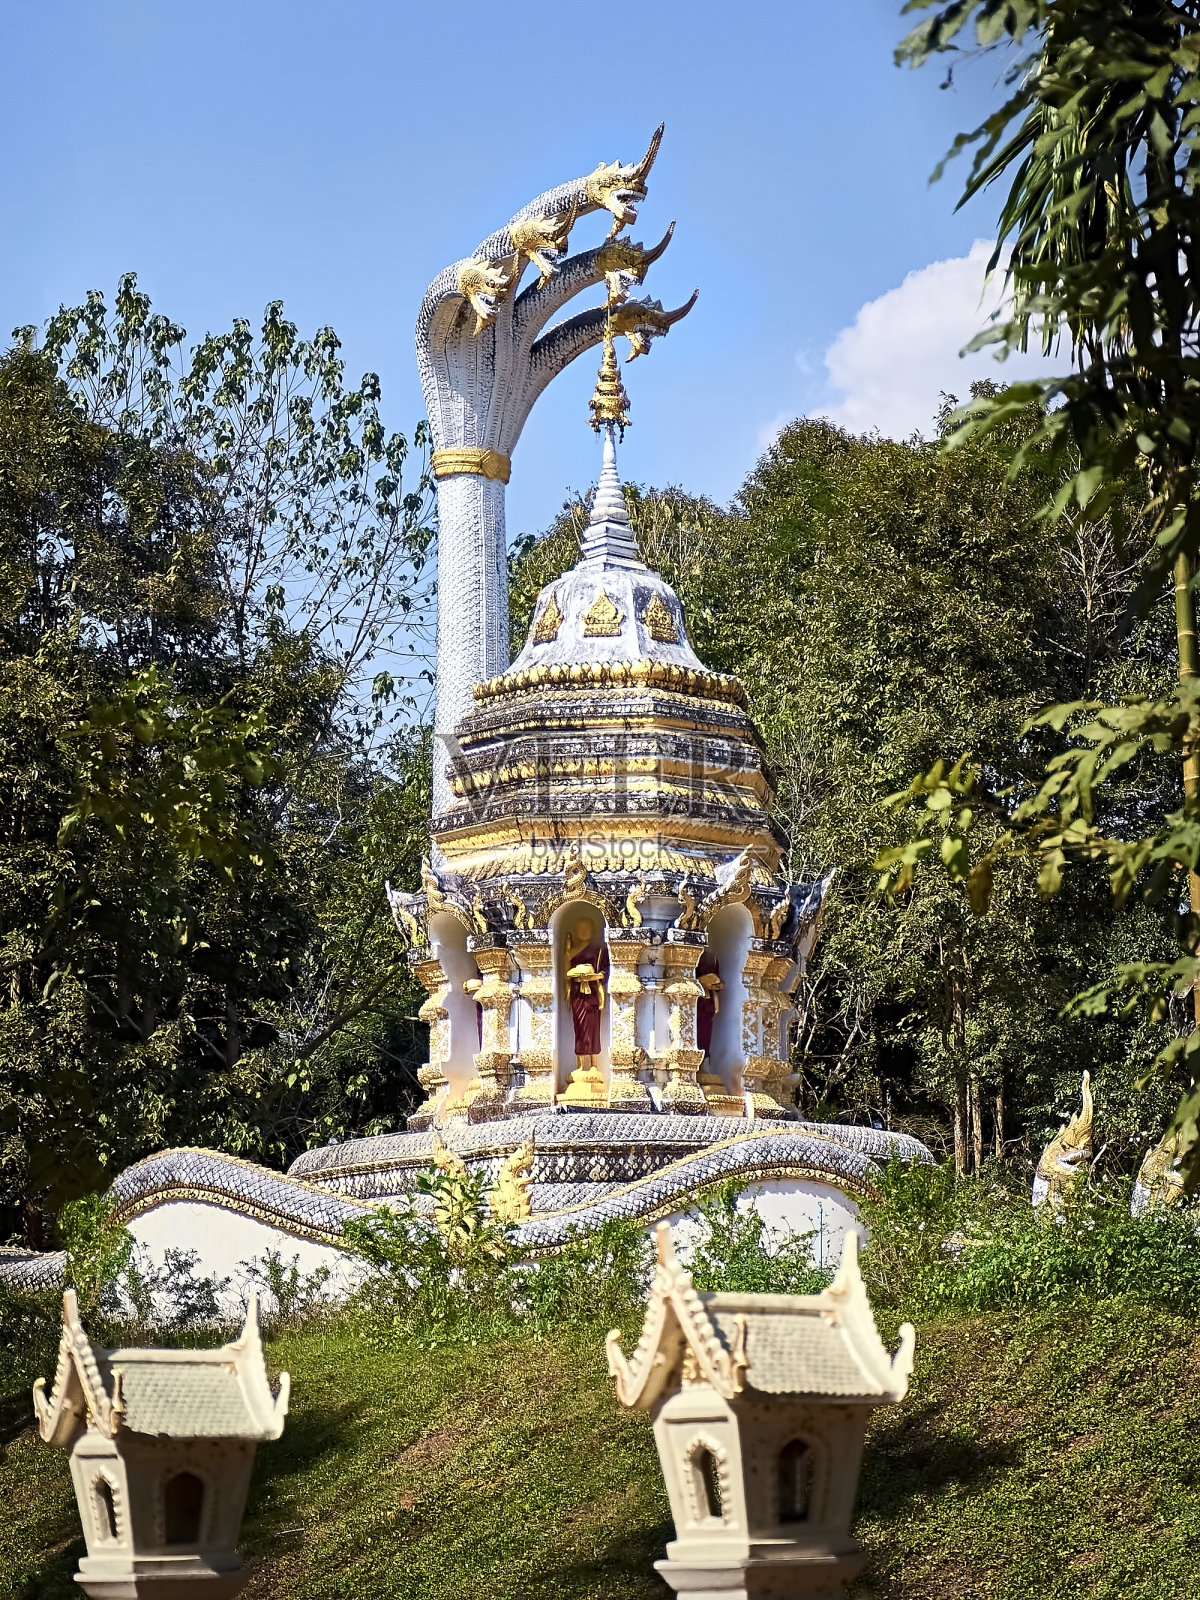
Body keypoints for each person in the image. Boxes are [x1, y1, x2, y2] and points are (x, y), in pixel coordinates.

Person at [561, 915, 609, 1102]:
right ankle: (581, 1065)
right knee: (580, 1030)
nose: (583, 932)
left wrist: (593, 976)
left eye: (587, 929)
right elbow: (566, 974)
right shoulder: (571, 951)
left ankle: (594, 1065)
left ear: (592, 931)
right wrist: (575, 974)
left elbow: (604, 972)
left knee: (593, 1029)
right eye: (580, 929)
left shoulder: (599, 950)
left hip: (592, 995)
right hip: (578, 995)